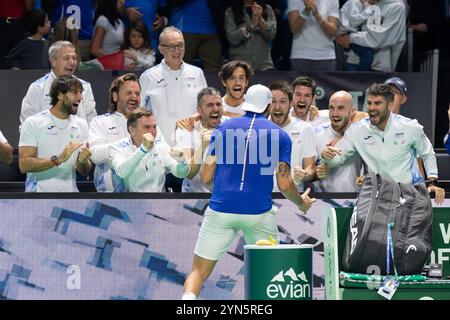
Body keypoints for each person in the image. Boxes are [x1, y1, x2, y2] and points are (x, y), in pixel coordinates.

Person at [181, 84, 316, 300]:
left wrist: (227, 192)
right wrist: (301, 203)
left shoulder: (222, 130)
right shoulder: (281, 136)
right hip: (259, 214)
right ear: (268, 105)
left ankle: (187, 302)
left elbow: (205, 178)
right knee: (272, 276)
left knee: (198, 271)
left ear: (246, 102)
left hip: (220, 210)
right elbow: (284, 183)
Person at [320, 83, 445, 204]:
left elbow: (427, 154)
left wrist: (432, 183)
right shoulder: (356, 130)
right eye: (369, 103)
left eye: (378, 103)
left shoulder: (410, 127)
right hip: (378, 197)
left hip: (409, 194)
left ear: (390, 105)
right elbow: (338, 158)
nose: (372, 108)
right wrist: (325, 156)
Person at [18, 75, 92, 192]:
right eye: (75, 92)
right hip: (37, 198)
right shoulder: (33, 122)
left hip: (70, 197)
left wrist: (83, 161)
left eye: (81, 92)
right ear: (59, 95)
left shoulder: (81, 124)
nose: (80, 97)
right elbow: (24, 165)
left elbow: (84, 170)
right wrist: (57, 159)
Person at [139, 26, 207, 145]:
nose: (177, 51)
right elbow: (140, 113)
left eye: (180, 45)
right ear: (161, 49)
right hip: (161, 147)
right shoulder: (148, 77)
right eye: (171, 47)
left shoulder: (197, 73)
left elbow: (206, 107)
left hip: (192, 145)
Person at [108, 108, 190, 192]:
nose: (153, 131)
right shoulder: (116, 147)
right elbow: (121, 172)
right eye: (147, 127)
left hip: (159, 201)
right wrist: (143, 149)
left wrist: (182, 161)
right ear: (132, 130)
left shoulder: (161, 146)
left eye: (154, 127)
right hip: (129, 202)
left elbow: (180, 173)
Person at [20, 40, 97, 127]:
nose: (72, 62)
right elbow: (27, 124)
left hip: (78, 139)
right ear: (53, 61)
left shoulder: (85, 87)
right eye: (66, 58)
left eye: (74, 58)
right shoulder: (38, 88)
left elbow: (92, 122)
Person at [88, 73, 141, 192]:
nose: (134, 97)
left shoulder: (148, 123)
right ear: (115, 96)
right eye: (129, 93)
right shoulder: (100, 122)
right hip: (111, 195)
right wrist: (128, 146)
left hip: (143, 193)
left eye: (137, 93)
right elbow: (95, 154)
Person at [269, 80, 316, 191]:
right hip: (263, 196)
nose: (277, 107)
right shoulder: (258, 128)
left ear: (290, 103)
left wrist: (305, 174)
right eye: (273, 101)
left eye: (282, 101)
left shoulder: (305, 129)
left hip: (293, 196)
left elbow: (310, 166)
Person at [175, 87, 224, 192]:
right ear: (199, 110)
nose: (215, 109)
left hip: (224, 196)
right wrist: (203, 146)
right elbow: (189, 173)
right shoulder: (186, 129)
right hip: (195, 196)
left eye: (218, 104)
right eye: (209, 105)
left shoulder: (231, 125)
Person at [335, 0, 407, 72]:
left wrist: (350, 38)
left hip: (380, 68)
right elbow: (356, 25)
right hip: (354, 61)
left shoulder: (397, 7)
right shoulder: (371, 3)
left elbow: (378, 39)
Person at [314, 91, 364, 192]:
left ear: (352, 111)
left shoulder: (362, 132)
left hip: (356, 199)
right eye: (331, 108)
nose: (335, 113)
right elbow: (308, 169)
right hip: (325, 201)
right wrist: (317, 170)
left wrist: (368, 177)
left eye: (341, 108)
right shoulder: (316, 134)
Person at [224, 0, 277, 71]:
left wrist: (260, 18)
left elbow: (271, 35)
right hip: (240, 65)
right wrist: (251, 26)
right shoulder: (230, 11)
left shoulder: (267, 9)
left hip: (264, 65)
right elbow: (232, 39)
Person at [287, 0, 339, 72]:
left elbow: (332, 32)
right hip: (301, 55)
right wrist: (306, 11)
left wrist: (317, 15)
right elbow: (294, 29)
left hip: (326, 56)